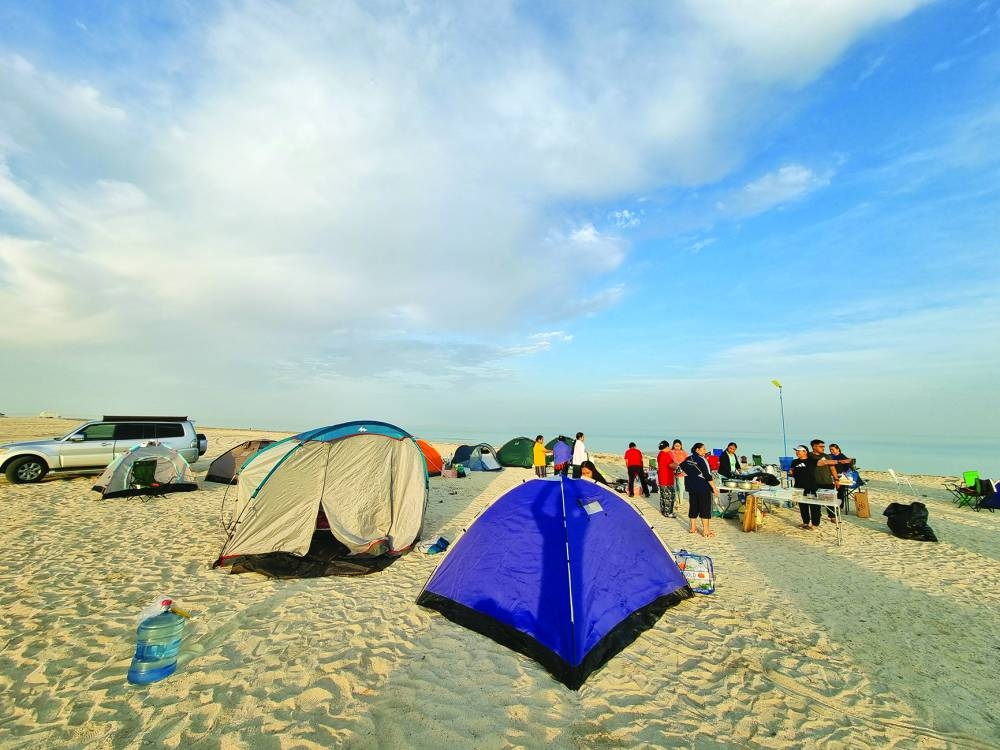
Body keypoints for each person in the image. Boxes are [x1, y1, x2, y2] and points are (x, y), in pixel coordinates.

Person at [680, 443, 718, 538]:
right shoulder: (702, 460)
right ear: (697, 450)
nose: (705, 451)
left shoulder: (688, 459)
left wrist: (691, 474)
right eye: (703, 449)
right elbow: (707, 475)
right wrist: (714, 487)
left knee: (693, 506)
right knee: (704, 507)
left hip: (691, 486)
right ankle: (706, 531)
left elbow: (681, 468)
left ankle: (693, 528)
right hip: (702, 486)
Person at [806, 438, 844, 523]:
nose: (823, 448)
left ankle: (833, 516)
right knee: (815, 502)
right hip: (814, 482)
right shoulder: (809, 456)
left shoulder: (827, 456)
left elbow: (832, 468)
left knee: (830, 501)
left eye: (824, 446)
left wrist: (836, 479)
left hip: (827, 482)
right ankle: (817, 516)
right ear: (814, 447)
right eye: (821, 446)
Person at [789, 445, 819, 529]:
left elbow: (824, 462)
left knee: (814, 506)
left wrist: (839, 461)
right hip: (798, 486)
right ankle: (805, 522)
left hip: (811, 486)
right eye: (796, 451)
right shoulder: (794, 461)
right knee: (802, 505)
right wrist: (791, 472)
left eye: (799, 451)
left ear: (805, 452)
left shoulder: (812, 460)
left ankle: (815, 524)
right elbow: (792, 470)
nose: (797, 452)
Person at [829, 443, 854, 514]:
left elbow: (849, 465)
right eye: (830, 449)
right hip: (832, 475)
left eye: (832, 449)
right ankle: (832, 504)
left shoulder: (842, 456)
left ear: (838, 449)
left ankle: (840, 506)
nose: (831, 451)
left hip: (841, 476)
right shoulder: (830, 456)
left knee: (840, 491)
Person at [656, 440, 678, 517]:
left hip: (662, 478)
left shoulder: (660, 454)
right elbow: (671, 465)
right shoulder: (666, 454)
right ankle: (668, 513)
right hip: (667, 478)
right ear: (667, 446)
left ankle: (663, 511)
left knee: (663, 496)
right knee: (669, 496)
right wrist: (676, 465)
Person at [670, 439, 689, 504]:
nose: (677, 447)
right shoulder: (671, 452)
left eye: (679, 446)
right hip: (672, 472)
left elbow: (687, 461)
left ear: (681, 446)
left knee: (681, 487)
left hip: (681, 472)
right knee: (674, 486)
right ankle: (676, 499)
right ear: (673, 445)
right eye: (676, 446)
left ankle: (681, 500)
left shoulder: (684, 452)